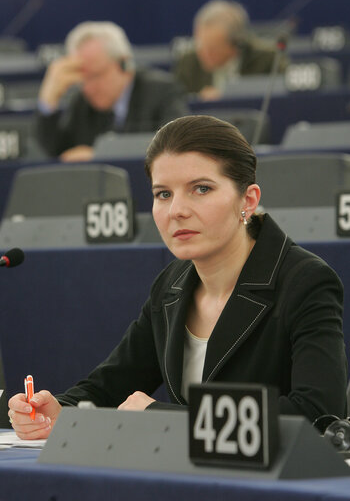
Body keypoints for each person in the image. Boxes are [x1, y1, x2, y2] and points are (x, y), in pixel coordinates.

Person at [8, 115, 347, 439]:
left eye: (201, 189)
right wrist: (61, 411)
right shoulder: (171, 284)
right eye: (163, 194)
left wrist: (162, 417)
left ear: (248, 200)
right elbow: (108, 386)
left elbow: (319, 413)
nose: (176, 211)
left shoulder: (305, 280)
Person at [36, 21, 189, 161]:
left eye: (96, 76)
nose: (88, 88)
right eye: (83, 79)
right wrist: (48, 101)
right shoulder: (81, 102)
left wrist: (100, 156)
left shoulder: (162, 91)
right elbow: (58, 152)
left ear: (124, 64)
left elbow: (177, 145)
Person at [173, 0, 288, 99]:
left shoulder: (269, 61)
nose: (204, 54)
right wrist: (198, 101)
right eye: (201, 46)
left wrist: (228, 98)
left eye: (213, 49)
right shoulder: (188, 63)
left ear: (236, 44)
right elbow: (176, 106)